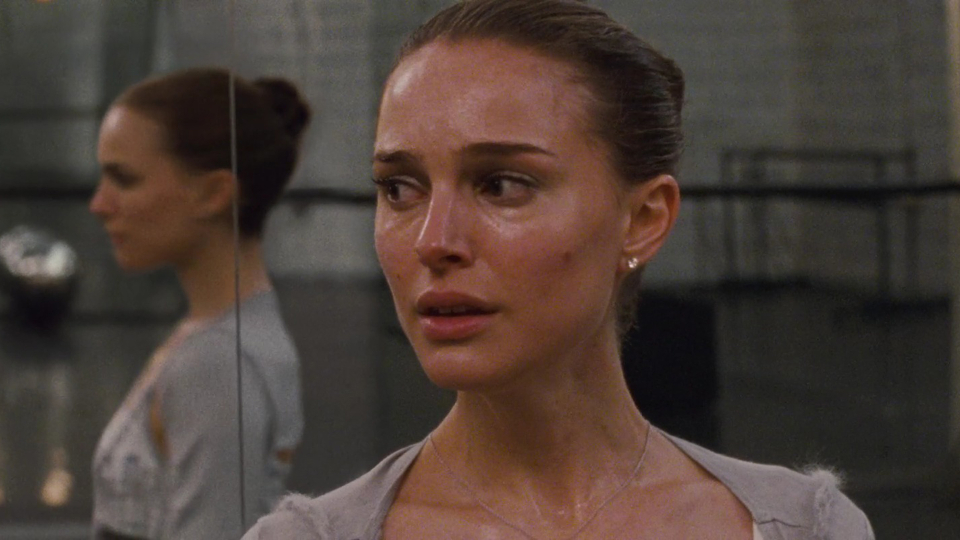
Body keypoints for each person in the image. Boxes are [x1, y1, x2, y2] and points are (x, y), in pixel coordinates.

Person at [243, 1, 873, 539]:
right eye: (400, 188)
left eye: (501, 184)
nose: (434, 242)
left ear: (643, 219)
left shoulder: (804, 528)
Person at [89, 67, 309, 540]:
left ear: (213, 193)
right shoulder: (219, 337)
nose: (100, 204)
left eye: (123, 179)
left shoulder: (219, 360)